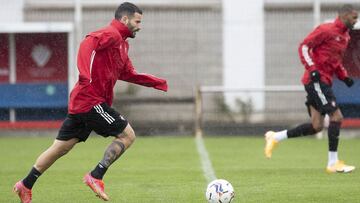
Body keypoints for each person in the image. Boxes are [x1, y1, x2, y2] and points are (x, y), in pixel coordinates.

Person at [13, 2, 168, 202]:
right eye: (137, 21)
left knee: (60, 148)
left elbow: (128, 73)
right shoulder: (111, 34)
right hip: (90, 100)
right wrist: (85, 74)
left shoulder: (122, 44)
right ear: (125, 19)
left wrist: (157, 83)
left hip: (81, 102)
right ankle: (96, 175)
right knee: (127, 135)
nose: (140, 26)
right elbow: (88, 44)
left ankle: (25, 184)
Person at [264, 4, 358, 173]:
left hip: (324, 81)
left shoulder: (345, 37)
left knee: (316, 126)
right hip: (316, 80)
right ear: (344, 15)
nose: (356, 20)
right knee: (336, 117)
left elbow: (334, 61)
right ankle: (332, 163)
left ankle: (275, 136)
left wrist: (344, 77)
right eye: (354, 17)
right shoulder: (326, 30)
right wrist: (312, 68)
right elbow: (304, 46)